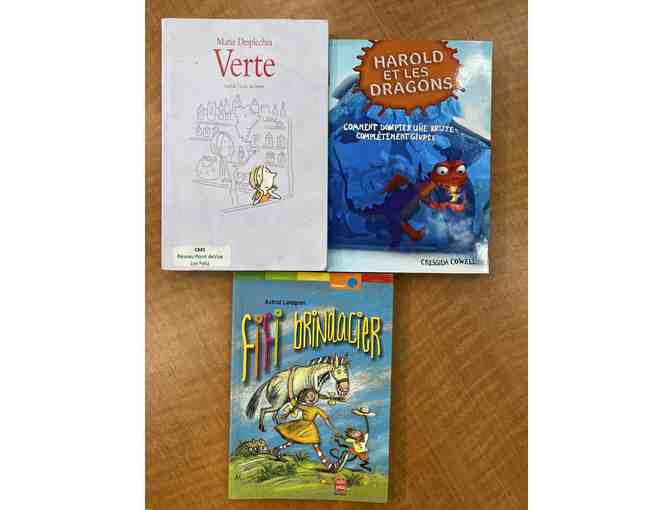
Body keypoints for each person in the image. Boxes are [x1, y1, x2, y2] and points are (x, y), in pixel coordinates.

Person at [270, 388, 348, 472]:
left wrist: (333, 428)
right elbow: (292, 399)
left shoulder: (316, 409)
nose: (312, 398)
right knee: (293, 440)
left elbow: (326, 418)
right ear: (304, 398)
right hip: (302, 426)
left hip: (310, 428)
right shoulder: (304, 407)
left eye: (313, 395)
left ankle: (329, 466)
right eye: (308, 396)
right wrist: (290, 383)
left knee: (313, 445)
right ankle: (277, 449)